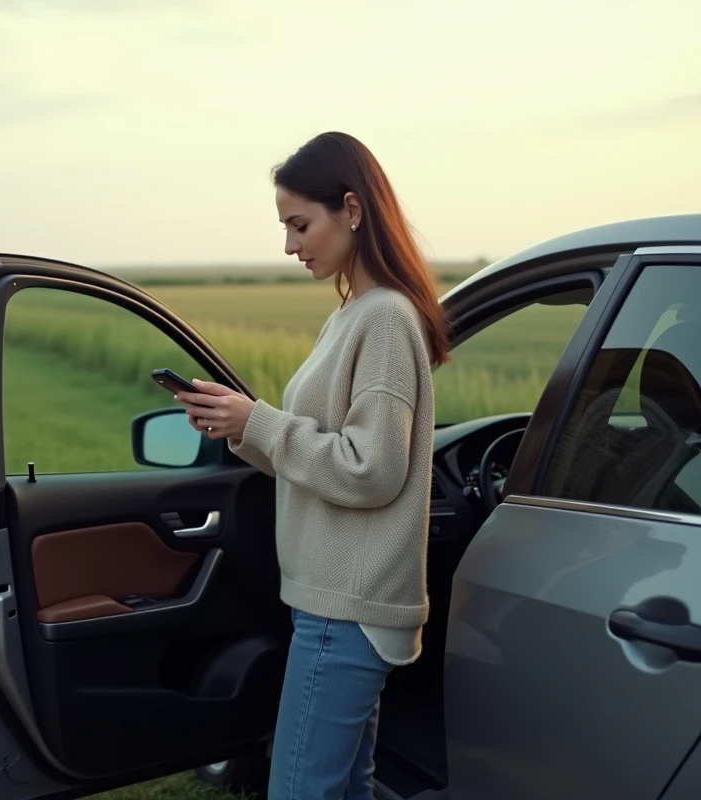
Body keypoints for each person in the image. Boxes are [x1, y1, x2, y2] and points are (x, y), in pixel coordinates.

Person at [173, 131, 450, 799]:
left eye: (300, 225)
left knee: (300, 789)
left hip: (344, 611)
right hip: (336, 604)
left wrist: (260, 421)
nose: (290, 245)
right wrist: (242, 428)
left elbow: (371, 469)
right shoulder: (356, 313)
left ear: (352, 209)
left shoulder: (382, 318)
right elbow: (333, 456)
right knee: (347, 788)